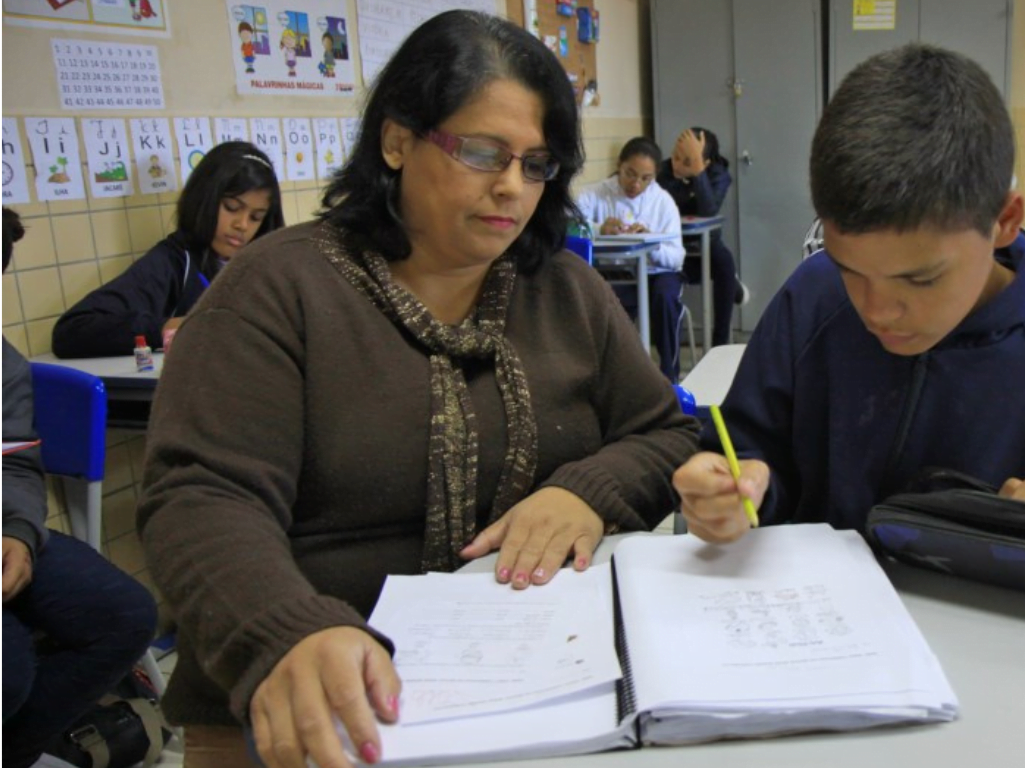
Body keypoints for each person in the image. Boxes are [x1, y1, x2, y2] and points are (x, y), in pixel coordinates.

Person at [135, 12, 698, 768]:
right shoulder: (279, 289)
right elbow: (202, 495)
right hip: (319, 713)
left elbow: (664, 432)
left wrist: (586, 492)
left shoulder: (562, 290)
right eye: (481, 152)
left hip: (536, 691)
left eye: (535, 165)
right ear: (397, 140)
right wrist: (287, 629)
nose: (511, 187)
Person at [672, 43, 1025, 594]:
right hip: (824, 623)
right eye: (850, 269)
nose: (877, 310)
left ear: (1005, 222)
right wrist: (734, 487)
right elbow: (750, 444)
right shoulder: (814, 297)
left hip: (995, 644)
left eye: (920, 279)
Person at [3, 208, 158, 768]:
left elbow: (15, 464)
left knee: (127, 616)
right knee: (9, 669)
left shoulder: (5, 366)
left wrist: (19, 535)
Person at [51, 141, 284, 359]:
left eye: (256, 217)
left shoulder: (268, 264)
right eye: (232, 208)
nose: (242, 225)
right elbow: (71, 331)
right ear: (204, 200)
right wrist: (169, 327)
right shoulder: (174, 262)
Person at [576, 137, 688, 381]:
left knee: (665, 299)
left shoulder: (663, 202)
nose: (635, 184)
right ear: (620, 165)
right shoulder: (595, 193)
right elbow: (570, 227)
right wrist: (598, 229)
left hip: (656, 273)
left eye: (645, 178)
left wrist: (650, 242)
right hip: (617, 272)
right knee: (608, 303)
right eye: (630, 173)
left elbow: (677, 257)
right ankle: (617, 380)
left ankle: (670, 376)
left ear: (655, 176)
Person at [657, 127, 746, 347]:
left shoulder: (718, 174)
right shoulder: (663, 172)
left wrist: (698, 173)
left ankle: (719, 343)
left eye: (687, 161)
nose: (677, 165)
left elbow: (708, 210)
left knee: (723, 262)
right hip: (675, 250)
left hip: (706, 248)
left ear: (705, 163)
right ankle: (732, 284)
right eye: (675, 156)